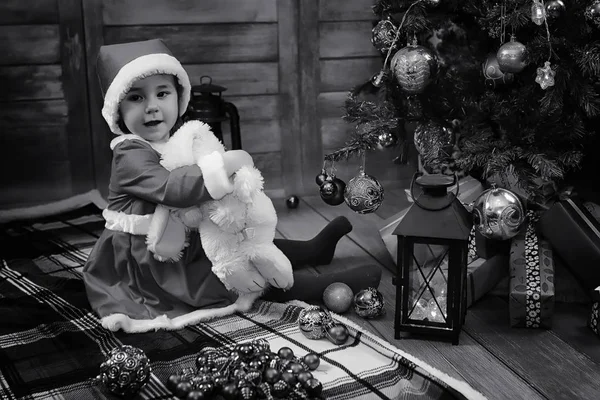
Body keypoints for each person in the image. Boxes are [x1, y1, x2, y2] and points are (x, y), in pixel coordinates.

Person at [83, 39, 353, 333]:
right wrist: (223, 166)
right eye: (135, 98)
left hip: (183, 240)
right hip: (147, 259)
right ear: (117, 109)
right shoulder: (129, 153)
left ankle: (312, 251)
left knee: (248, 243)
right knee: (237, 278)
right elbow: (172, 188)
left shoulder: (176, 140)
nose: (151, 107)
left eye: (162, 93)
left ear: (178, 97)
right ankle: (324, 286)